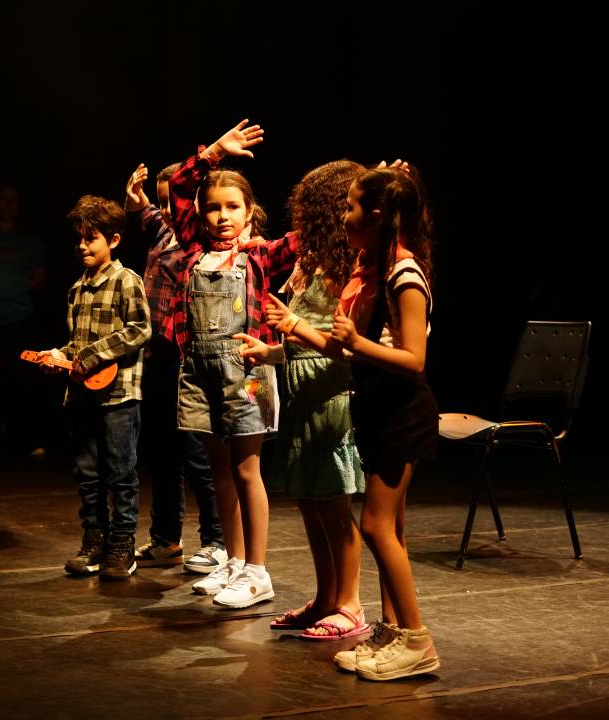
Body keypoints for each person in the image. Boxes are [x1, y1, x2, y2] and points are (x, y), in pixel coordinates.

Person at [265, 164, 440, 680]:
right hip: (377, 407)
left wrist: (358, 342)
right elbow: (343, 350)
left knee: (377, 526)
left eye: (351, 207)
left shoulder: (406, 276)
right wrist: (295, 326)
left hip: (403, 412)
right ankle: (392, 632)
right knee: (391, 529)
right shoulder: (374, 268)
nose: (343, 216)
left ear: (378, 216)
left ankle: (417, 640)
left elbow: (414, 359)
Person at [165, 119, 299, 608]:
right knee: (218, 472)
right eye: (213, 208)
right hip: (200, 374)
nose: (222, 216)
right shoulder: (193, 251)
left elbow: (315, 234)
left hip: (247, 375)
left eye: (232, 207)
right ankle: (236, 561)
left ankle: (258, 571)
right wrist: (214, 152)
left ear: (249, 211)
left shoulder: (261, 257)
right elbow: (180, 188)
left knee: (246, 471)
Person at [234, 159, 370, 640]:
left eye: (309, 210)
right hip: (302, 392)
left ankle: (351, 604)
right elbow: (299, 341)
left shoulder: (349, 270)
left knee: (334, 506)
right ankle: (327, 596)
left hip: (330, 396)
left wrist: (291, 328)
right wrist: (271, 352)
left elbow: (343, 347)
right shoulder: (312, 263)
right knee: (312, 503)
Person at [34, 195, 152, 581]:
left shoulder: (126, 280)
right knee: (87, 472)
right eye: (78, 239)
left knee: (121, 471)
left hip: (119, 396)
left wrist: (92, 354)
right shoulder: (76, 289)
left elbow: (140, 329)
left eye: (91, 238)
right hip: (83, 395)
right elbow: (77, 345)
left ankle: (122, 545)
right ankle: (95, 540)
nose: (82, 246)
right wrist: (59, 356)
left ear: (113, 240)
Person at [123, 162, 227, 575]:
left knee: (198, 455)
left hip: (186, 358)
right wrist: (137, 200)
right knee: (164, 453)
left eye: (173, 202)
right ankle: (167, 539)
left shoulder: (198, 240)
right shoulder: (163, 231)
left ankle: (217, 540)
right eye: (162, 201)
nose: (165, 209)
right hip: (158, 358)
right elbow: (147, 214)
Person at [0, 182, 50, 457]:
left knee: (23, 379)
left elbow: (39, 278)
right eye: (3, 199)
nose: (8, 205)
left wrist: (16, 289)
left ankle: (27, 437)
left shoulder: (28, 240)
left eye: (13, 200)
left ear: (19, 207)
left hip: (21, 318)